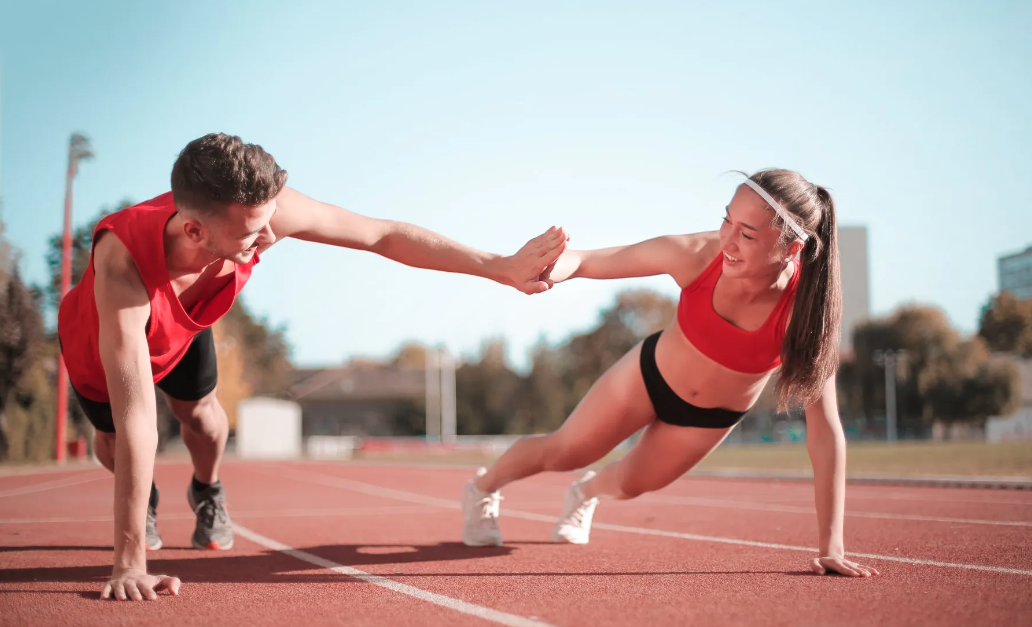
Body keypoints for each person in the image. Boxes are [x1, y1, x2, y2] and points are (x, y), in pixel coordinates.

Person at [57, 132, 569, 601]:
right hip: (101, 342)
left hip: (185, 324)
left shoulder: (264, 213)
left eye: (269, 220)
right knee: (118, 441)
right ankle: (144, 499)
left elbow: (381, 235)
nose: (269, 236)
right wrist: (129, 565)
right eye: (252, 232)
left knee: (205, 420)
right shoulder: (123, 263)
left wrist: (497, 267)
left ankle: (206, 491)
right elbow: (138, 417)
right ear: (194, 229)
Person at [460, 168, 880, 578]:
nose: (728, 240)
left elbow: (824, 430)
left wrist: (831, 548)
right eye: (726, 220)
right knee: (566, 451)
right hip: (648, 377)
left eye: (748, 235)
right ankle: (482, 488)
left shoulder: (804, 314)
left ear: (790, 249)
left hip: (709, 418)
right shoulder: (697, 254)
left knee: (629, 484)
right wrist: (544, 269)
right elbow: (587, 261)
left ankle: (584, 493)